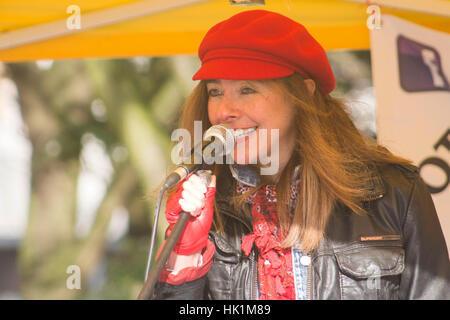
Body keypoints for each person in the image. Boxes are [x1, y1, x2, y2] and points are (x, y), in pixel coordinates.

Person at [154, 9, 450, 300]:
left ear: (302, 93)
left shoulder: (395, 192)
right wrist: (185, 255)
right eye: (215, 91)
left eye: (246, 89)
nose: (224, 111)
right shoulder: (205, 203)